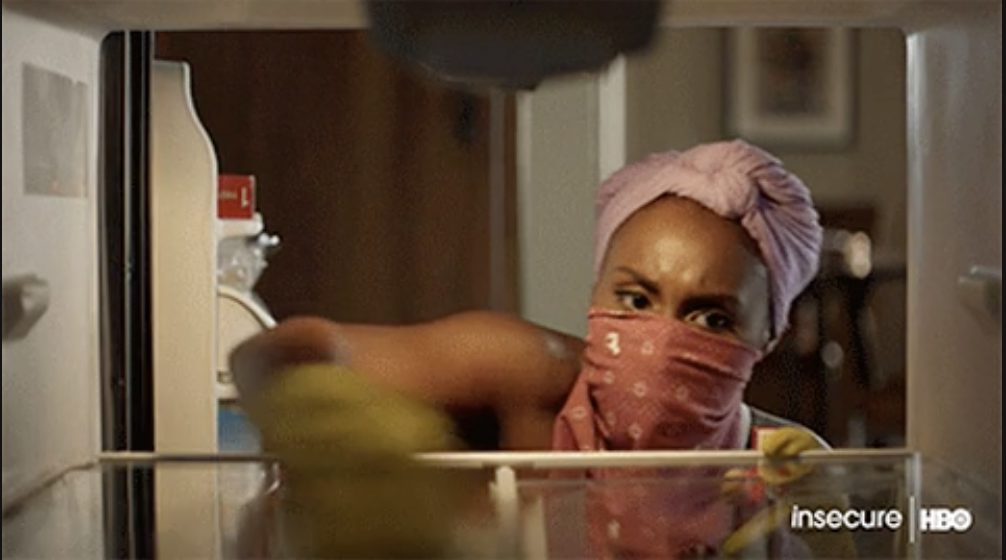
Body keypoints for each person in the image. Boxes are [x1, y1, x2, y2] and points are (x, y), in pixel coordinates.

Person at [231, 139, 845, 558]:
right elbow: (280, 353)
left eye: (710, 317)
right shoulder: (528, 377)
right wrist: (349, 443)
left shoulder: (788, 470)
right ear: (596, 290)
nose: (660, 343)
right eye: (634, 300)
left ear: (769, 336)